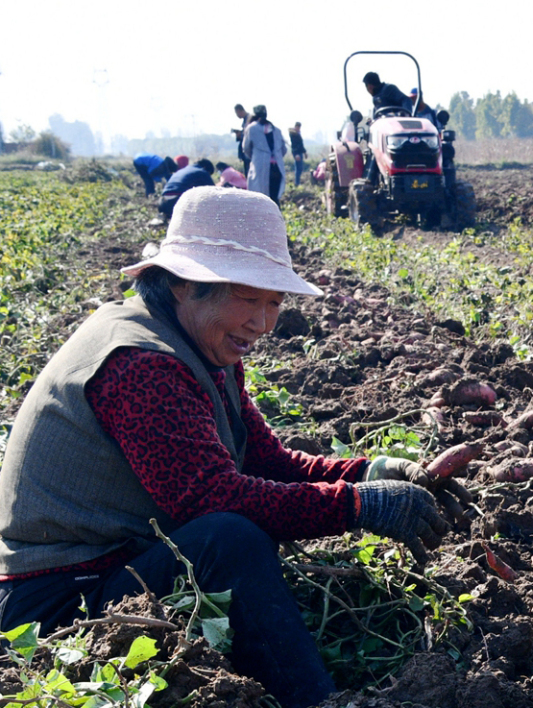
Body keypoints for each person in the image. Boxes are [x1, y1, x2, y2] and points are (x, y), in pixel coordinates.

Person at [0, 186, 468, 708]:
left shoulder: (201, 345)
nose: (263, 323)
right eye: (248, 298)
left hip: (115, 570)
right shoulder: (141, 365)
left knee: (233, 533)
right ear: (183, 284)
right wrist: (362, 507)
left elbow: (264, 461)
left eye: (274, 302)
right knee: (230, 538)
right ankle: (314, 701)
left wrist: (372, 472)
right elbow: (210, 501)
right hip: (58, 606)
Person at [242, 105, 286, 206]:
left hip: (260, 167)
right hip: (277, 168)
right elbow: (284, 150)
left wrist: (255, 157)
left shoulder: (251, 128)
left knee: (260, 197)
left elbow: (246, 148)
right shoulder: (276, 130)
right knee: (274, 198)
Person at [231, 104, 253, 176]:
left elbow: (249, 135)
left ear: (239, 111)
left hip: (249, 153)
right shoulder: (245, 119)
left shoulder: (249, 119)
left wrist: (241, 134)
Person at [288, 122, 307, 187]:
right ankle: (297, 183)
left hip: (299, 152)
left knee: (300, 168)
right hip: (297, 153)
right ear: (296, 127)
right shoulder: (294, 135)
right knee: (298, 168)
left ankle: (297, 182)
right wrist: (296, 154)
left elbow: (301, 145)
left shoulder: (297, 134)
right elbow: (294, 145)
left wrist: (305, 152)